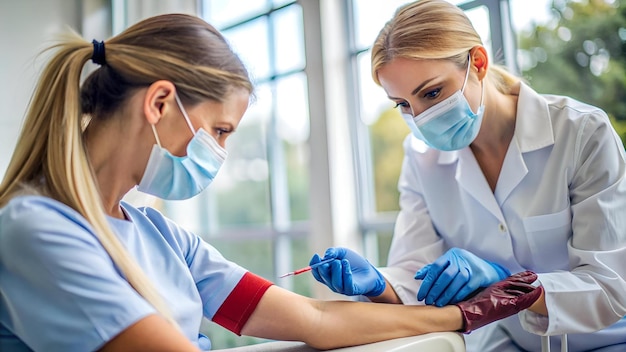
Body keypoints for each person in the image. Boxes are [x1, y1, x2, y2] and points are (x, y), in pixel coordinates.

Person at [0, 13, 544, 352]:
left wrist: (468, 312)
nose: (220, 151)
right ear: (160, 102)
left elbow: (313, 319)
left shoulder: (160, 235)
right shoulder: (36, 230)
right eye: (219, 130)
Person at [308, 0, 626, 351]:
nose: (420, 117)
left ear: (478, 63)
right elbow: (416, 275)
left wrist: (511, 286)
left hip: (607, 341)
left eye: (432, 93)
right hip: (507, 342)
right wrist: (379, 283)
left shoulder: (581, 133)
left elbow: (609, 285)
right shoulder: (420, 159)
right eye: (403, 105)